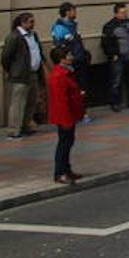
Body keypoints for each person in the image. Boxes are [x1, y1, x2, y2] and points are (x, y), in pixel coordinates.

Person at [46, 44, 84, 184]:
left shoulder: (66, 73)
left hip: (70, 114)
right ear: (62, 59)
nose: (71, 57)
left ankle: (67, 169)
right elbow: (60, 100)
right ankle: (60, 172)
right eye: (69, 55)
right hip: (64, 116)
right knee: (64, 143)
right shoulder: (59, 76)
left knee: (68, 142)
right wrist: (66, 120)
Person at [2, 13, 44, 138]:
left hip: (34, 72)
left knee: (31, 101)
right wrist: (13, 70)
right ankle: (14, 129)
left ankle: (26, 125)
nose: (33, 24)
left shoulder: (33, 35)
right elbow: (6, 57)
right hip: (20, 75)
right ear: (23, 23)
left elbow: (38, 51)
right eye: (30, 22)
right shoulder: (14, 37)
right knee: (18, 103)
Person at [50, 3, 93, 120]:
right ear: (67, 12)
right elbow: (61, 47)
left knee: (82, 88)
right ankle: (76, 114)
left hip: (79, 60)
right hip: (72, 63)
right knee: (73, 89)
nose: (75, 13)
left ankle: (81, 113)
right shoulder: (60, 28)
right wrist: (69, 59)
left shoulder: (72, 26)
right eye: (73, 11)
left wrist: (84, 54)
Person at [101, 3, 129, 111]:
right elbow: (105, 42)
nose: (125, 14)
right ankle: (115, 103)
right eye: (122, 12)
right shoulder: (109, 26)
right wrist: (112, 54)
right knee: (116, 80)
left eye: (126, 12)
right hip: (118, 57)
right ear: (116, 13)